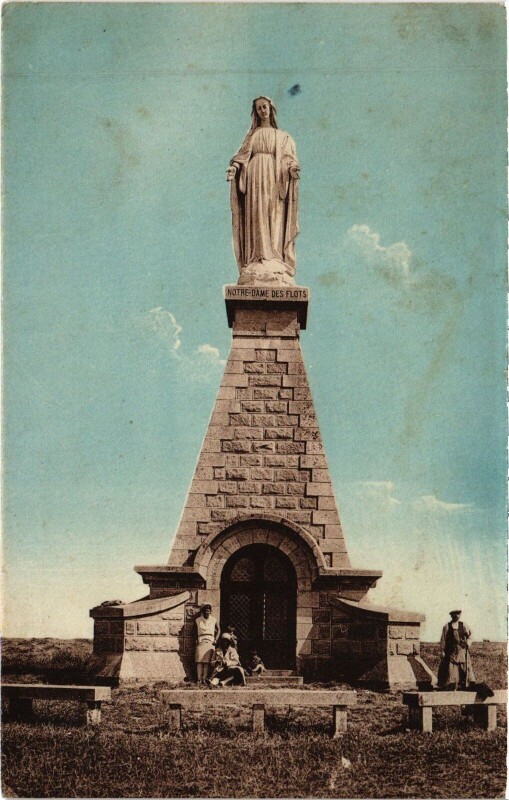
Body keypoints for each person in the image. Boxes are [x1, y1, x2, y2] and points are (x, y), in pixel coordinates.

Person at [227, 96, 299, 284]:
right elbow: (241, 157)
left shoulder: (282, 136)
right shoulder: (252, 135)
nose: (262, 111)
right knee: (257, 214)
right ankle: (257, 256)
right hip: (254, 179)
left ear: (270, 109)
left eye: (264, 107)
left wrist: (292, 169)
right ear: (256, 112)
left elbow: (288, 158)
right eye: (258, 108)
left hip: (274, 178)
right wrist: (234, 168)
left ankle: (274, 257)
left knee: (273, 214)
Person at [437, 609, 475, 690]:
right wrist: (442, 651)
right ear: (451, 615)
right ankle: (451, 686)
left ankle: (465, 685)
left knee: (464, 668)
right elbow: (443, 640)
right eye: (455, 614)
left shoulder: (463, 625)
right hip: (451, 652)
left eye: (458, 614)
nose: (456, 616)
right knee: (451, 670)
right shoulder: (446, 626)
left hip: (462, 651)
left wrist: (467, 643)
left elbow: (470, 636)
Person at [194, 603, 219, 685]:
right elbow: (193, 631)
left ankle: (204, 679)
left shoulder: (214, 620)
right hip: (201, 640)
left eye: (209, 611)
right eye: (206, 611)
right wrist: (196, 639)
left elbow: (219, 630)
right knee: (199, 661)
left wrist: (216, 639)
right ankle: (199, 680)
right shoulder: (198, 620)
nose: (207, 612)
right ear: (203, 611)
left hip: (210, 641)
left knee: (206, 662)